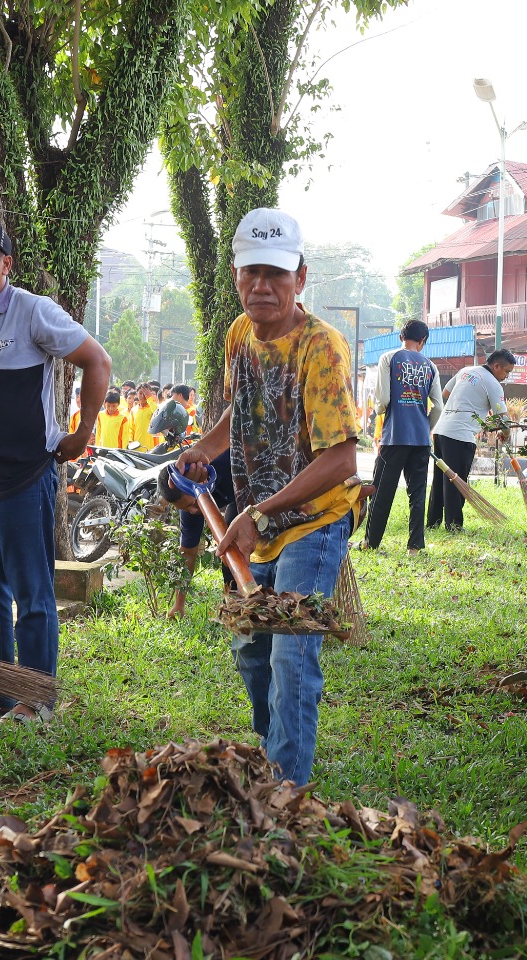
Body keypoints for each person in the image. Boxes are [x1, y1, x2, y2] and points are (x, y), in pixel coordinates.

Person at [175, 207, 360, 787]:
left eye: (275, 274)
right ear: (235, 275)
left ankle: (287, 794)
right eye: (251, 272)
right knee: (252, 653)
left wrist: (259, 511)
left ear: (300, 278)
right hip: (259, 524)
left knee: (291, 655)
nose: (262, 286)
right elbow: (244, 411)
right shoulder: (238, 335)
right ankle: (271, 756)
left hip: (313, 521)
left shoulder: (320, 349)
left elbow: (341, 458)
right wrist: (204, 448)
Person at [0, 214, 111, 722]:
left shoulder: (33, 311)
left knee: (32, 596)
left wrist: (81, 434)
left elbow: (97, 361)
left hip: (22, 482)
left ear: (6, 263)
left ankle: (36, 698)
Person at [360, 319, 442, 552]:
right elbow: (438, 406)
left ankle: (370, 543)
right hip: (421, 440)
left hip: (395, 436)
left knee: (381, 491)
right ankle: (415, 547)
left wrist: (378, 412)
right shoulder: (430, 366)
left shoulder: (389, 358)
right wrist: (426, 428)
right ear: (422, 341)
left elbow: (383, 400)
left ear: (401, 337)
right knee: (417, 494)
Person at [428, 350, 514, 532]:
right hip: (460, 435)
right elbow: (504, 419)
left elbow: (445, 392)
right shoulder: (493, 384)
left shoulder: (466, 371)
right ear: (496, 366)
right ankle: (454, 525)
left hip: (441, 431)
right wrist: (506, 434)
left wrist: (471, 401)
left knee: (439, 480)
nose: (506, 376)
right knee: (456, 481)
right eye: (506, 371)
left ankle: (433, 522)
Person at [159, 450, 235, 619]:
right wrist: (179, 604)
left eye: (193, 503)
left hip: (253, 487)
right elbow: (187, 554)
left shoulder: (221, 463)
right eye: (185, 508)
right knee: (229, 553)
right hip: (232, 496)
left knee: (233, 540)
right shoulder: (189, 506)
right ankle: (235, 608)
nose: (193, 511)